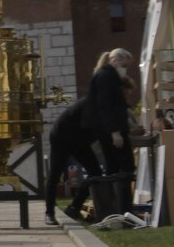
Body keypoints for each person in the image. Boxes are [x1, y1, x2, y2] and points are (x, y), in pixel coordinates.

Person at [80, 48, 135, 214]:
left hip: (106, 129)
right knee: (125, 167)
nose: (125, 69)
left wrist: (127, 110)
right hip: (109, 130)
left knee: (113, 167)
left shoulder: (106, 76)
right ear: (115, 60)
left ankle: (115, 209)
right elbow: (106, 106)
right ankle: (123, 209)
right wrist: (115, 132)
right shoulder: (107, 77)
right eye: (124, 65)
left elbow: (112, 103)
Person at [43, 97, 100, 225]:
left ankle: (74, 208)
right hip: (61, 136)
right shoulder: (92, 103)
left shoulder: (105, 104)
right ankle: (49, 213)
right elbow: (89, 126)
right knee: (55, 175)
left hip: (78, 140)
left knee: (95, 172)